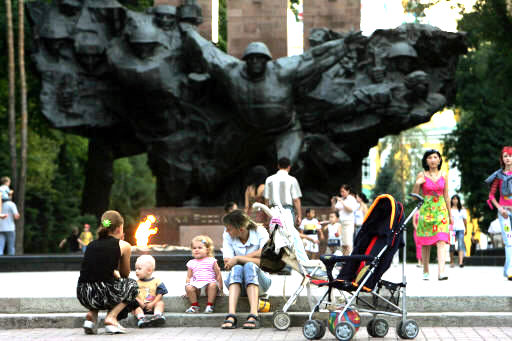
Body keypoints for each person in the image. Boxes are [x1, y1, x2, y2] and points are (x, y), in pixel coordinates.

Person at [76, 210, 138, 334]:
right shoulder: (124, 245)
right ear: (120, 228)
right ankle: (111, 318)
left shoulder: (91, 245)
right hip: (105, 293)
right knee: (131, 285)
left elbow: (94, 270)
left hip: (83, 293)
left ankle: (91, 316)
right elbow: (125, 275)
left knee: (104, 283)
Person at [221, 210, 271, 329]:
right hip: (237, 284)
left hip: (261, 284)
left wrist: (239, 258)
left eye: (230, 228)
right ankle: (231, 315)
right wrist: (254, 256)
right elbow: (228, 264)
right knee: (237, 268)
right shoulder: (227, 235)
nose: (227, 231)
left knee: (249, 266)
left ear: (241, 229)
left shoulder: (260, 232)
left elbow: (266, 261)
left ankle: (254, 314)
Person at [413, 149, 451, 281]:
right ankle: (425, 269)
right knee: (426, 242)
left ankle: (441, 272)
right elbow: (414, 197)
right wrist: (417, 184)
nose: (433, 160)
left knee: (441, 240)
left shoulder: (444, 175)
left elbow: (446, 196)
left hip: (441, 210)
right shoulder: (421, 175)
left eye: (435, 157)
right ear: (426, 161)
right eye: (430, 157)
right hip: (426, 210)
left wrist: (450, 215)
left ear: (439, 160)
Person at [485, 146, 512, 280]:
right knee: (509, 242)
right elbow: (491, 196)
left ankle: (507, 269)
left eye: (510, 156)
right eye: (505, 156)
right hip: (504, 213)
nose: (508, 158)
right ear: (502, 159)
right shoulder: (498, 176)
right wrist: (500, 208)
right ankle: (510, 271)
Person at [185, 235, 223, 313]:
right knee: (188, 287)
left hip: (209, 283)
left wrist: (221, 289)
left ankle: (209, 305)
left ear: (207, 250)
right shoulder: (191, 262)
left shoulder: (212, 260)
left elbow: (218, 274)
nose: (196, 250)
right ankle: (194, 306)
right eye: (194, 248)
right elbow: (189, 277)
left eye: (200, 248)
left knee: (212, 285)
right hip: (197, 285)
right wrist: (187, 291)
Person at [264, 157, 302, 226]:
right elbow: (296, 200)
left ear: (278, 166)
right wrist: (299, 216)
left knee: (273, 235)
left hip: (273, 210)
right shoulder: (292, 180)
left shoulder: (269, 179)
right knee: (289, 234)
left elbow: (266, 200)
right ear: (289, 167)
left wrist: (267, 218)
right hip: (287, 211)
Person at [133, 255, 167, 328]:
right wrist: (140, 302)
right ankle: (141, 318)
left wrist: (153, 303)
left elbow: (160, 293)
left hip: (153, 304)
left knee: (160, 303)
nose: (136, 271)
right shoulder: (134, 283)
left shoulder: (157, 281)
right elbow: (133, 295)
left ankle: (158, 315)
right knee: (134, 307)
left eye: (139, 269)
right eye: (135, 269)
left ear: (149, 270)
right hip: (140, 305)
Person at [331, 184, 358, 255]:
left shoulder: (352, 199)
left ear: (348, 191)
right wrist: (333, 202)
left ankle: (349, 259)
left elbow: (350, 210)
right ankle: (344, 260)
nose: (341, 193)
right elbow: (334, 210)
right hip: (341, 223)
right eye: (341, 192)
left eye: (343, 191)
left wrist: (342, 202)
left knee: (348, 243)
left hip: (348, 223)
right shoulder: (341, 199)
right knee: (343, 244)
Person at [450, 194, 467, 268]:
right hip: (452, 230)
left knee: (461, 245)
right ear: (451, 200)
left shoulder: (462, 209)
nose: (455, 200)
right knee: (452, 246)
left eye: (456, 199)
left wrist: (466, 228)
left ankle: (460, 262)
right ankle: (452, 262)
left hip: (460, 229)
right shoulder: (449, 209)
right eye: (453, 199)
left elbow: (465, 220)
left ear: (458, 200)